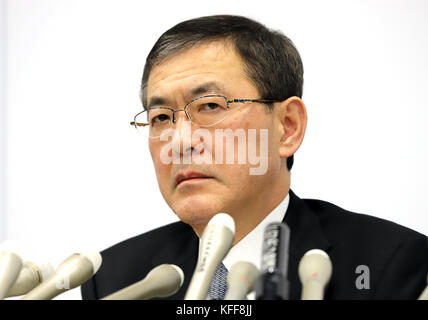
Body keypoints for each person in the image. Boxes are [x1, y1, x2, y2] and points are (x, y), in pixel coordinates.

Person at [81, 15, 428, 300]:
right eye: (160, 117)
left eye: (210, 106)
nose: (179, 141)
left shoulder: (389, 265)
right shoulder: (116, 280)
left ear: (287, 127)